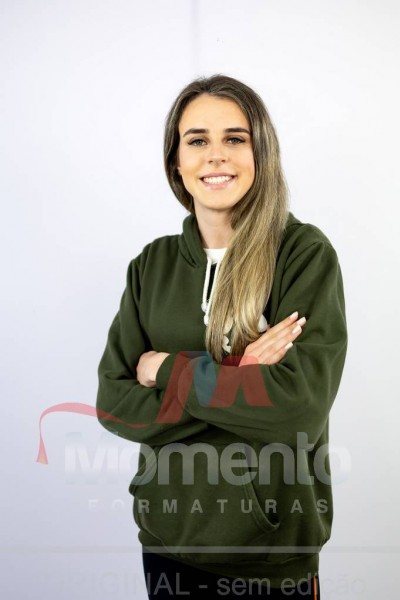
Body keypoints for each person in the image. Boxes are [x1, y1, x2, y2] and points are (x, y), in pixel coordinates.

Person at [96, 74, 347, 599]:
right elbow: (116, 405)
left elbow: (297, 408)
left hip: (272, 553)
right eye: (197, 140)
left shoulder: (302, 255)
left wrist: (168, 371)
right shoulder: (151, 266)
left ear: (261, 152)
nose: (216, 155)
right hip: (167, 542)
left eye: (235, 138)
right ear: (176, 162)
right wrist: (237, 375)